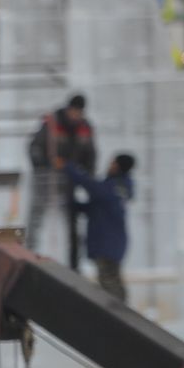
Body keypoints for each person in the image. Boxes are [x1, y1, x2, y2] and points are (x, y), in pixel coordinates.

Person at [26, 94, 95, 268]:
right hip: (46, 180)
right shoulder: (51, 123)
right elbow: (34, 147)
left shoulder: (85, 128)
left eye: (79, 112)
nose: (76, 115)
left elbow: (91, 156)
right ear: (68, 108)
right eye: (73, 111)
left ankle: (74, 266)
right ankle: (29, 258)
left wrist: (87, 178)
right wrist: (46, 166)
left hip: (68, 182)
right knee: (36, 217)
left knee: (71, 223)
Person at [64, 152, 136, 304]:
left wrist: (67, 167)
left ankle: (119, 314)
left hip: (108, 243)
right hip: (111, 242)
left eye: (113, 163)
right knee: (110, 278)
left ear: (118, 166)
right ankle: (120, 312)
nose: (110, 165)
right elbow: (94, 209)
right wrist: (73, 206)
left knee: (109, 280)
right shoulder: (116, 189)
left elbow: (91, 186)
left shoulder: (115, 187)